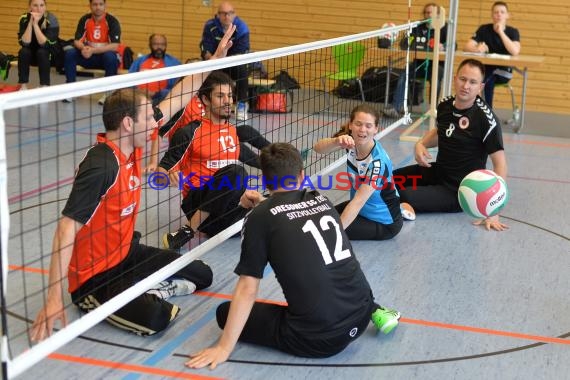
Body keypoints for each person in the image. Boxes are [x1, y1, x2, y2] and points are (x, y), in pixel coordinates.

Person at [186, 143, 401, 370]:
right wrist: (263, 205)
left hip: (321, 340)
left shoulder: (260, 218)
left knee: (224, 313)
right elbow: (291, 219)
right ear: (301, 175)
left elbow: (247, 288)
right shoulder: (321, 200)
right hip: (363, 313)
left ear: (266, 181)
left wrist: (223, 348)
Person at [29, 89, 214, 341]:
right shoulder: (101, 166)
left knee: (201, 273)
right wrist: (52, 300)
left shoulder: (130, 147)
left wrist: (211, 63)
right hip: (94, 279)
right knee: (155, 318)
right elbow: (65, 230)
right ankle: (148, 292)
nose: (154, 125)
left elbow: (176, 99)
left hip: (126, 253)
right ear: (128, 123)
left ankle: (146, 288)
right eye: (148, 118)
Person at [393, 58, 509, 231]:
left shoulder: (486, 119)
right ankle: (405, 205)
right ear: (455, 78)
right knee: (389, 180)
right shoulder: (445, 104)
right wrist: (421, 143)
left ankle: (406, 206)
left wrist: (493, 210)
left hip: (459, 191)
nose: (466, 86)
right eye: (463, 79)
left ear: (480, 87)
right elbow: (441, 132)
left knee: (402, 194)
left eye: (473, 82)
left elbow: (500, 164)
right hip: (438, 173)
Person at [158, 71, 259, 250]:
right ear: (205, 100)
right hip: (197, 203)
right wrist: (168, 175)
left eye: (229, 95)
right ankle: (187, 231)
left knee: (262, 201)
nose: (228, 101)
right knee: (236, 172)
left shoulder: (231, 131)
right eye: (220, 96)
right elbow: (161, 171)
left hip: (225, 212)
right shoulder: (189, 132)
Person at [314, 104, 415, 241]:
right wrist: (336, 141)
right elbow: (318, 149)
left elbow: (358, 202)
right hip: (363, 210)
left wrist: (334, 235)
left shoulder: (377, 163)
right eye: (358, 124)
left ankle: (399, 211)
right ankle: (400, 207)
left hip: (384, 223)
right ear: (350, 125)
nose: (362, 130)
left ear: (375, 129)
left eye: (368, 126)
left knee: (322, 229)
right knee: (319, 216)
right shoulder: (350, 141)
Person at [384, 3, 448, 118]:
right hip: (419, 64)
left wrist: (443, 46)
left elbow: (454, 46)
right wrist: (407, 38)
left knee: (436, 77)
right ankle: (396, 107)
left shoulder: (443, 27)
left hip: (436, 66)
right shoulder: (417, 27)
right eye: (426, 13)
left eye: (431, 13)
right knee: (404, 74)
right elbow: (403, 45)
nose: (428, 15)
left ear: (437, 15)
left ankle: (434, 109)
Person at [63, 0, 122, 104]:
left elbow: (114, 46)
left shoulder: (112, 21)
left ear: (105, 5)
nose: (98, 7)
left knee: (111, 57)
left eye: (100, 4)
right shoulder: (84, 19)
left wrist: (93, 50)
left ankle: (108, 93)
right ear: (90, 5)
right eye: (95, 4)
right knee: (70, 54)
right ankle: (70, 90)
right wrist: (83, 48)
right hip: (88, 56)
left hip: (104, 58)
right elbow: (77, 41)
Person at [464, 1, 520, 108]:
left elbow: (515, 51)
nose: (499, 14)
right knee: (472, 76)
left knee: (485, 80)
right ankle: (471, 109)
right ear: (492, 15)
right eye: (496, 12)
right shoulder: (484, 29)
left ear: (507, 15)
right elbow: (467, 46)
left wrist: (501, 32)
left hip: (504, 71)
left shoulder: (513, 32)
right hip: (486, 69)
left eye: (502, 12)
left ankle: (487, 112)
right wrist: (477, 49)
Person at [200, 1, 250, 121]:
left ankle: (242, 104)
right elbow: (205, 46)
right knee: (203, 70)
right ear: (218, 15)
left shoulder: (242, 28)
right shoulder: (210, 26)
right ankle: (203, 105)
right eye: (223, 13)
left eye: (229, 13)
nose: (226, 16)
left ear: (234, 14)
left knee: (242, 70)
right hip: (215, 61)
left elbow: (241, 51)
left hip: (233, 63)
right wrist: (210, 58)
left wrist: (223, 59)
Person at [17, 0, 59, 89]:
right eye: (35, 5)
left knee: (42, 52)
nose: (39, 9)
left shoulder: (52, 19)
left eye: (41, 5)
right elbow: (25, 43)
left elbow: (45, 44)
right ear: (29, 8)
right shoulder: (24, 18)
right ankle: (23, 85)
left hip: (49, 56)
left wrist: (35, 25)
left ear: (45, 7)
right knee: (23, 51)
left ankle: (44, 86)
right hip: (32, 55)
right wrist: (30, 23)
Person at [129, 34, 181, 106]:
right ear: (150, 45)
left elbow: (177, 86)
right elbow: (129, 80)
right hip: (139, 96)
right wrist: (139, 91)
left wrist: (157, 93)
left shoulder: (174, 63)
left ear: (166, 46)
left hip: (162, 97)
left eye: (162, 44)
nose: (159, 47)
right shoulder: (139, 61)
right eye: (156, 44)